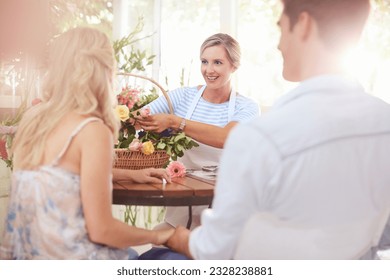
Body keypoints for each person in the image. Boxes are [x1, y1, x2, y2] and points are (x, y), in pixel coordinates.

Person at [159, 0, 390, 259]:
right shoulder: (384, 123)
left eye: (281, 28)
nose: (279, 45)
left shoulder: (259, 137)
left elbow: (214, 250)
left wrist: (173, 237)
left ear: (303, 25)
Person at [0, 27, 174, 259]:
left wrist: (133, 174)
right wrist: (163, 236)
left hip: (25, 260)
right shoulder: (91, 130)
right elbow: (102, 230)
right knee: (174, 258)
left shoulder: (35, 118)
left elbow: (61, 177)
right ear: (103, 69)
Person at [136, 33, 260, 229]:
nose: (209, 70)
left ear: (234, 66)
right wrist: (127, 111)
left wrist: (175, 122)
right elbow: (137, 119)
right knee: (161, 245)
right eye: (204, 61)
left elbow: (227, 137)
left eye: (218, 62)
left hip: (226, 207)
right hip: (183, 202)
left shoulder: (247, 108)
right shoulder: (181, 97)